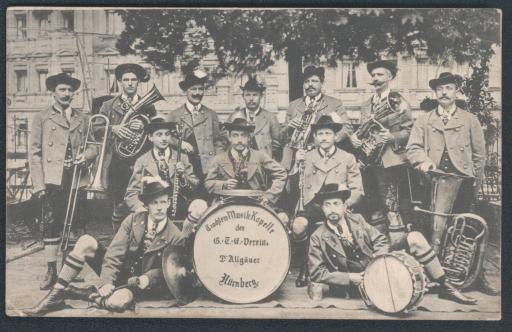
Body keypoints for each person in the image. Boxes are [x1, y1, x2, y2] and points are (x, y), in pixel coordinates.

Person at [24, 177, 207, 316]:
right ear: (146, 205)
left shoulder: (175, 235)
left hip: (140, 284)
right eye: (154, 203)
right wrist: (106, 281)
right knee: (86, 241)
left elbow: (165, 271)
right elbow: (114, 253)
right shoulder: (133, 220)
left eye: (163, 202)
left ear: (168, 203)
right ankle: (55, 296)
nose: (159, 208)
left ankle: (82, 293)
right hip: (121, 272)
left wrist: (144, 280)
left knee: (117, 304)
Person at [307, 183, 477, 305]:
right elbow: (316, 272)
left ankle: (445, 286)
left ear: (344, 206)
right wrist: (350, 278)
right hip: (358, 281)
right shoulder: (317, 236)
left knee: (415, 237)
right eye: (327, 205)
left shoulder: (357, 219)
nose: (332, 209)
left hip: (378, 263)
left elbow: (380, 239)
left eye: (336, 204)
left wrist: (378, 259)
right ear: (322, 209)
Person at [406, 72, 498, 296]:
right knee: (431, 230)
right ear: (435, 93)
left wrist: (475, 182)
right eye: (440, 89)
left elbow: (480, 155)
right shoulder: (424, 119)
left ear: (456, 91)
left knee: (468, 229)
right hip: (433, 180)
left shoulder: (470, 119)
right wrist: (424, 162)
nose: (444, 92)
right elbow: (413, 148)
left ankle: (476, 277)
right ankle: (431, 277)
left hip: (463, 181)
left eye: (448, 88)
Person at [29, 73, 98, 290]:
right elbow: (34, 153)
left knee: (77, 223)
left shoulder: (83, 118)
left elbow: (93, 146)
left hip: (77, 177)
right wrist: (39, 184)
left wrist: (85, 156)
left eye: (70, 90)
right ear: (53, 92)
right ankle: (51, 271)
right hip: (52, 179)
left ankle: (71, 269)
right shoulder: (41, 117)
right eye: (62, 90)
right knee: (51, 225)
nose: (67, 94)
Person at [291, 115, 363, 287]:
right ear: (315, 137)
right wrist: (296, 164)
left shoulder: (347, 158)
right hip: (311, 204)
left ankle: (332, 270)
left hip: (337, 205)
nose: (324, 137)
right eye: (320, 134)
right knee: (298, 226)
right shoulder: (306, 156)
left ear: (335, 136)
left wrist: (344, 206)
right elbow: (291, 189)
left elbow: (357, 190)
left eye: (328, 133)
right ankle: (305, 266)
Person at [349, 60, 413, 243]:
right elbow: (363, 129)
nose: (375, 79)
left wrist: (392, 137)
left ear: (390, 77)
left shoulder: (399, 101)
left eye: (380, 75)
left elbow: (409, 131)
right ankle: (377, 245)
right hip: (369, 161)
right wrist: (355, 138)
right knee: (373, 205)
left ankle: (396, 246)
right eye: (373, 75)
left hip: (390, 161)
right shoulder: (365, 105)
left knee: (392, 207)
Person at [97, 63, 157, 231]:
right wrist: (112, 129)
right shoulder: (108, 106)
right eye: (126, 80)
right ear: (120, 82)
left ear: (138, 82)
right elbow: (95, 130)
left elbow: (155, 131)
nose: (130, 83)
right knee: (119, 206)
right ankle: (119, 241)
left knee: (142, 203)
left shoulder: (148, 105)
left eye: (134, 80)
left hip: (141, 161)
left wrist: (145, 124)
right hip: (117, 164)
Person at [125, 116, 199, 219]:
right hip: (154, 207)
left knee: (200, 206)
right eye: (159, 135)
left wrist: (183, 177)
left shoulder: (182, 157)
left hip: (179, 206)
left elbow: (194, 185)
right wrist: (140, 208)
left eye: (167, 134)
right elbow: (131, 193)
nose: (164, 138)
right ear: (150, 137)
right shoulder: (142, 161)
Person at [204, 117, 287, 207]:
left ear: (249, 138)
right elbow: (208, 183)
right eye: (235, 135)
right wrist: (224, 184)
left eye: (243, 135)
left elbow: (281, 173)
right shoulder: (219, 159)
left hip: (255, 205)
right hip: (226, 206)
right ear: (229, 137)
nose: (239, 140)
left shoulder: (260, 156)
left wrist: (269, 196)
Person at [167, 68, 222, 200]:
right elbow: (166, 138)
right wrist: (180, 143)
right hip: (185, 167)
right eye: (193, 89)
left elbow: (219, 141)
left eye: (200, 89)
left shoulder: (211, 114)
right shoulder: (175, 115)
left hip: (207, 167)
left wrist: (217, 162)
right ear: (186, 91)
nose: (197, 93)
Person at [284, 65, 353, 153]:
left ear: (322, 83)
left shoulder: (334, 104)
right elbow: (280, 136)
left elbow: (347, 127)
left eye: (314, 81)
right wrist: (289, 127)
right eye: (306, 81)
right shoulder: (293, 105)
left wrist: (329, 141)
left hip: (323, 154)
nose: (310, 85)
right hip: (295, 154)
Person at [225, 77, 283, 159]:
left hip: (262, 163)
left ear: (261, 96)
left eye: (255, 95)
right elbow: (224, 142)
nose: (251, 99)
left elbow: (277, 144)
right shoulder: (234, 116)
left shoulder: (270, 117)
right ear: (243, 96)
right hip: (239, 162)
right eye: (248, 95)